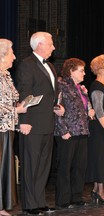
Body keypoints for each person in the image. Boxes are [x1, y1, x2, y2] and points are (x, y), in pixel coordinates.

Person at [16, 32, 65, 215]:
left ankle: (40, 201)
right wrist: (24, 121)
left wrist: (57, 106)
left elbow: (49, 95)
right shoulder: (26, 65)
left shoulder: (51, 66)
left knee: (44, 165)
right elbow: (24, 94)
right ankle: (29, 204)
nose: (53, 47)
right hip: (32, 124)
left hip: (47, 123)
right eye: (51, 44)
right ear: (39, 45)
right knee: (31, 165)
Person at [54, 58, 95, 209]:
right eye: (81, 70)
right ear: (71, 71)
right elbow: (57, 108)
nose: (84, 73)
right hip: (68, 132)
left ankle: (76, 196)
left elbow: (83, 107)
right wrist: (63, 130)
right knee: (65, 167)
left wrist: (89, 111)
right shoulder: (62, 85)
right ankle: (63, 199)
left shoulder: (81, 88)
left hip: (82, 130)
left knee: (80, 166)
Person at [0, 39, 27, 216]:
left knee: (4, 169)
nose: (15, 57)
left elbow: (10, 99)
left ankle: (1, 206)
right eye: (11, 53)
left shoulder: (6, 76)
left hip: (7, 128)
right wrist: (16, 109)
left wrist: (21, 104)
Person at [85, 54, 104, 204]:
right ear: (102, 69)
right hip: (100, 128)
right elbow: (99, 111)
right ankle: (100, 192)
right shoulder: (97, 86)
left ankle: (96, 191)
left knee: (102, 159)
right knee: (101, 160)